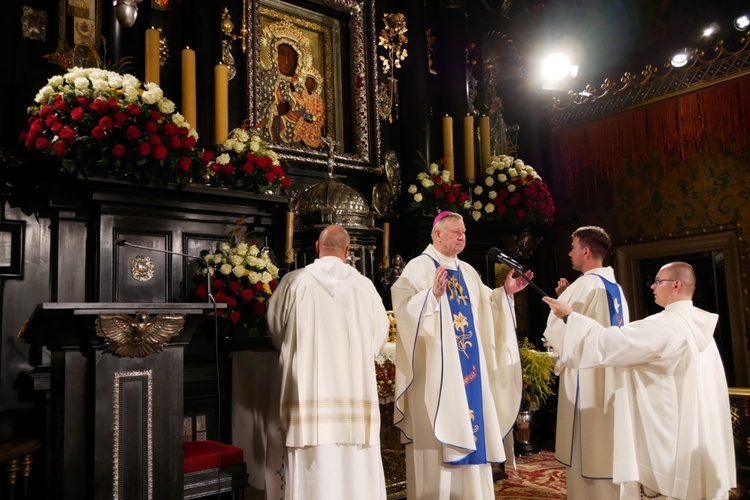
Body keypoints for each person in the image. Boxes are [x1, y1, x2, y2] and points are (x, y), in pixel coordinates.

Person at [543, 262, 736, 500]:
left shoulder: (668, 325)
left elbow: (610, 343)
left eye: (658, 281)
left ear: (676, 285)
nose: (652, 286)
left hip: (666, 434)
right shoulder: (698, 324)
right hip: (690, 429)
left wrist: (570, 316)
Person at [390, 211, 532, 499]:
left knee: (473, 426)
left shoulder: (467, 270)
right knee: (437, 443)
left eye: (464, 232)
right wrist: (432, 296)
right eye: (455, 232)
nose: (461, 237)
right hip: (436, 376)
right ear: (437, 234)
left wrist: (505, 293)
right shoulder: (418, 268)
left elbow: (485, 307)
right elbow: (403, 308)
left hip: (471, 374)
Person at [266, 224, 389, 500]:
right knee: (357, 467)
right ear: (347, 251)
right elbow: (379, 336)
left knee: (313, 468)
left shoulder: (294, 281)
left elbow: (276, 330)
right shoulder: (365, 286)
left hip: (308, 396)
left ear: (317, 248)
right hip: (354, 399)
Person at [542, 226, 629, 499]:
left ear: (586, 251)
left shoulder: (585, 284)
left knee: (587, 450)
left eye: (573, 247)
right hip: (613, 376)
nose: (570, 253)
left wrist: (565, 302)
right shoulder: (615, 288)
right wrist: (569, 296)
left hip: (587, 378)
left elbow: (555, 331)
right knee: (609, 445)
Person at [292, 68, 325, 148]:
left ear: (314, 85)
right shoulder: (303, 93)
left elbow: (321, 110)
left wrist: (314, 117)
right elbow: (301, 103)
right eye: (308, 82)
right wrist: (294, 94)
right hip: (304, 117)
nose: (309, 85)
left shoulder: (317, 98)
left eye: (311, 83)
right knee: (299, 126)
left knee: (313, 132)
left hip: (314, 120)